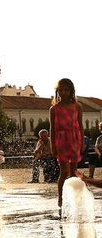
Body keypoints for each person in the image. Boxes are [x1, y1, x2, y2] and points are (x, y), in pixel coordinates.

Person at [50, 78, 85, 208]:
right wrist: (52, 144)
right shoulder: (54, 109)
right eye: (61, 90)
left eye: (66, 90)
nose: (63, 92)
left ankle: (75, 197)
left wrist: (82, 142)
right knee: (64, 171)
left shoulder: (77, 106)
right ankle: (60, 198)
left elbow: (80, 125)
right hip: (61, 140)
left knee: (74, 171)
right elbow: (52, 128)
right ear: (57, 91)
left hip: (75, 139)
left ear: (71, 91)